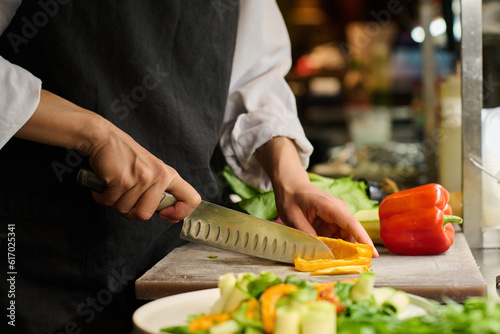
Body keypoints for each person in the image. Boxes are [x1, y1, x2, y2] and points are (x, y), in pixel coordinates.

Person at [0, 1, 377, 333]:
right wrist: (94, 133)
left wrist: (292, 179)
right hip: (38, 248)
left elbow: (256, 80)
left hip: (179, 249)